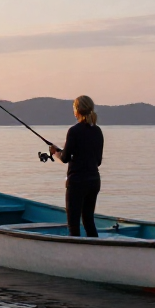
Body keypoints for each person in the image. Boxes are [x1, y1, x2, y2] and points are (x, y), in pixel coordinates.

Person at [50, 95, 104, 237]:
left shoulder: (74, 131)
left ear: (77, 110)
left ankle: (75, 256)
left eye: (74, 108)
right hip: (94, 181)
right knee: (88, 221)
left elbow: (65, 158)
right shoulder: (98, 131)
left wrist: (55, 152)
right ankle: (96, 250)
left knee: (73, 224)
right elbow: (98, 161)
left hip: (77, 182)